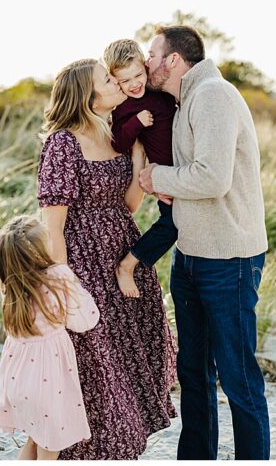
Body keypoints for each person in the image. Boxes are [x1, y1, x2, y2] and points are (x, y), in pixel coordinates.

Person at [139, 25, 270, 460]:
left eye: (152, 53)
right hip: (191, 256)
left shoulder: (212, 95)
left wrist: (157, 177)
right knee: (193, 374)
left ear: (173, 60)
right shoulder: (184, 99)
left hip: (228, 260)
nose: (147, 61)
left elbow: (212, 178)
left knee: (238, 379)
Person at [37, 58, 176, 459]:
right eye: (108, 80)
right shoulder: (63, 142)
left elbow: (129, 205)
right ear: (88, 94)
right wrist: (64, 285)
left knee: (128, 364)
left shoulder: (118, 133)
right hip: (82, 264)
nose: (118, 84)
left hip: (122, 253)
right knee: (94, 371)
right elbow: (53, 226)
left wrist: (138, 157)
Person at [0, 215, 100, 460]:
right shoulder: (58, 276)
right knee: (49, 451)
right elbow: (85, 320)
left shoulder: (11, 286)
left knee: (32, 443)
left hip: (18, 384)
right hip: (48, 383)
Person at [102, 39, 179, 298]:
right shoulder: (125, 107)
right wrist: (136, 122)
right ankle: (128, 264)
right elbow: (119, 142)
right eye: (125, 81)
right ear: (115, 81)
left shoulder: (159, 91)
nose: (134, 84)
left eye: (137, 75)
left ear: (146, 67)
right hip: (166, 174)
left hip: (185, 169)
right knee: (172, 225)